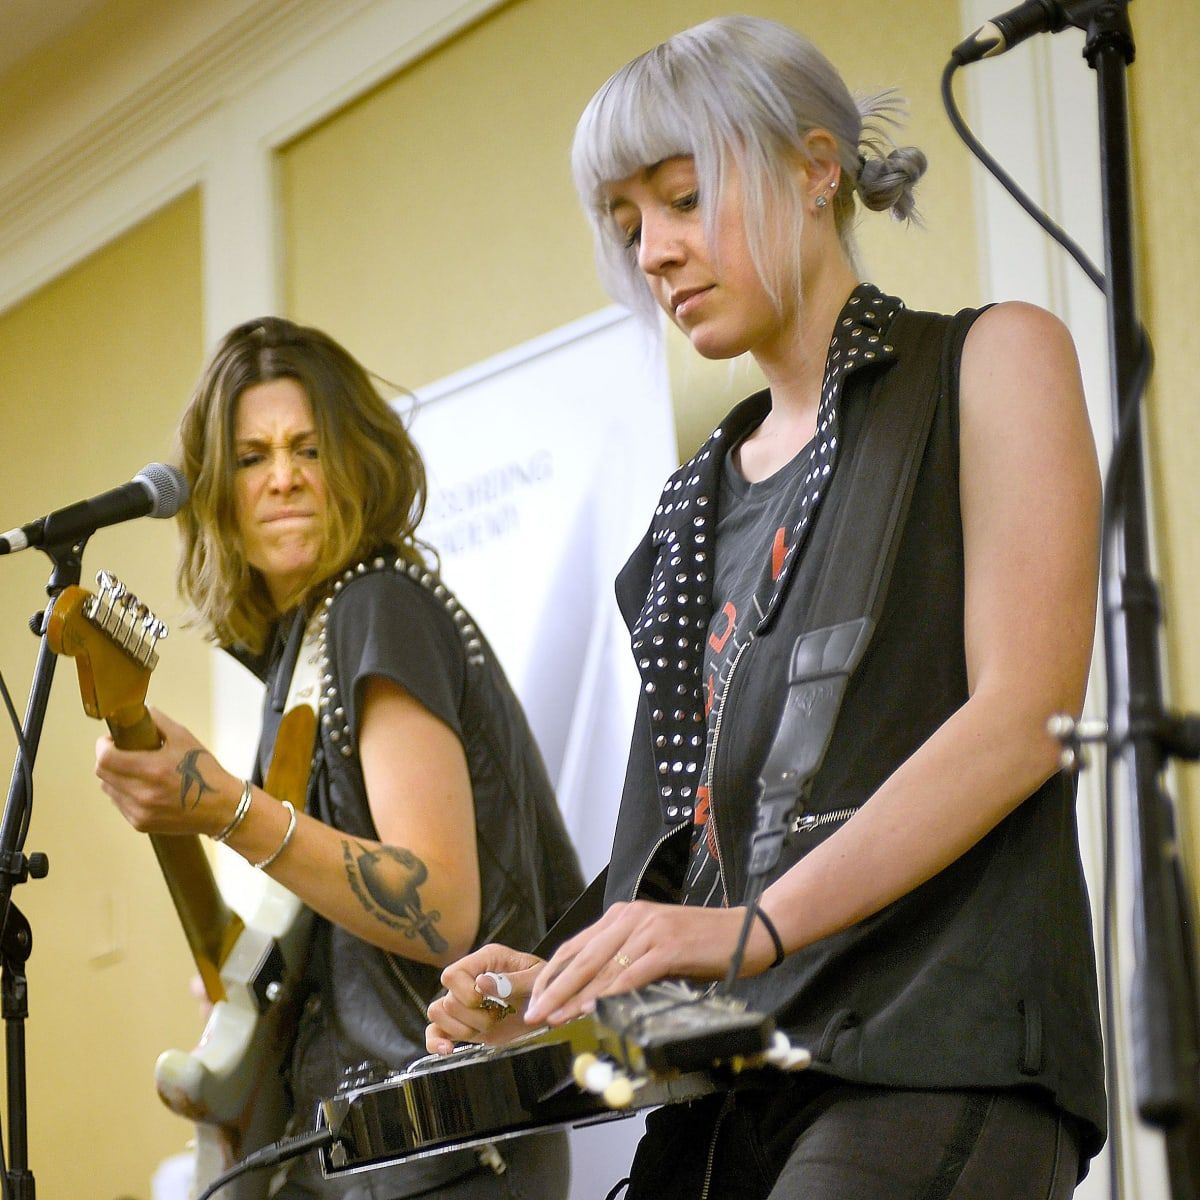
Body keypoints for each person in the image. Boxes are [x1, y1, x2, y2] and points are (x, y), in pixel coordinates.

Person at [425, 15, 1105, 1200]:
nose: (654, 252)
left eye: (684, 198)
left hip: (932, 1048)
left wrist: (757, 928)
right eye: (630, 224)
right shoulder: (686, 513)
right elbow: (696, 854)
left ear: (816, 165)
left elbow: (1026, 713)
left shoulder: (991, 362)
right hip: (726, 1078)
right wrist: (554, 992)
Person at [94, 317, 581, 1199]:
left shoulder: (375, 605)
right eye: (250, 458)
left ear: (354, 462)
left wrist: (221, 807)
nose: (281, 477)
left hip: (441, 1153)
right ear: (219, 494)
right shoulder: (306, 646)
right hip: (379, 1150)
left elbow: (439, 905)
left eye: (306, 447)